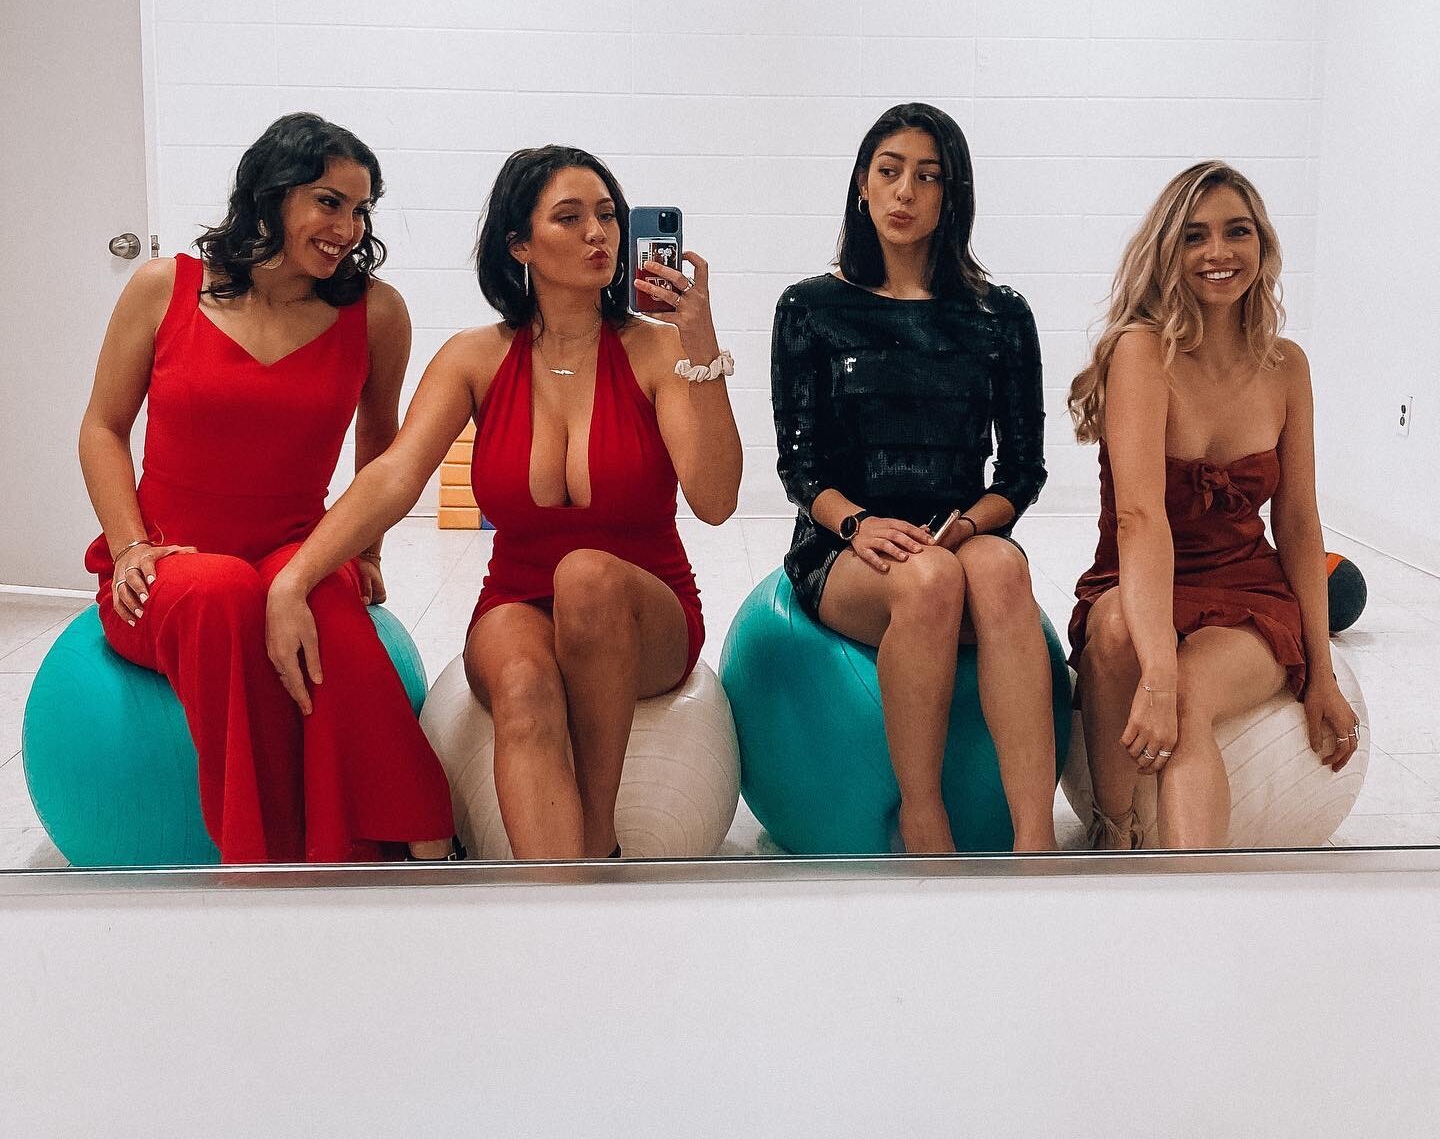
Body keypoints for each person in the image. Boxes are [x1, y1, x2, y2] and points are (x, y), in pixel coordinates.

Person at [266, 145, 742, 860]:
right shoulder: (475, 357)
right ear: (519, 244)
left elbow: (716, 500)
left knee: (587, 574)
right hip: (517, 598)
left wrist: (701, 348)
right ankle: (552, 900)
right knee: (522, 686)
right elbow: (395, 474)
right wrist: (297, 576)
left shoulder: (659, 351)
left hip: (647, 612)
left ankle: (598, 841)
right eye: (570, 218)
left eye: (608, 216)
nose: (598, 234)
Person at [79, 112, 455, 863]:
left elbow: (379, 444)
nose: (348, 229)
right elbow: (102, 427)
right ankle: (264, 866)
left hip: (296, 548)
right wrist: (127, 549)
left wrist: (365, 551)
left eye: (361, 209)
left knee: (330, 613)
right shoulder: (164, 288)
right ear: (272, 193)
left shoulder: (377, 312)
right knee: (221, 593)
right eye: (328, 202)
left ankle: (427, 844)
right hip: (169, 563)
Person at [770, 102, 1058, 854]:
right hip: (845, 543)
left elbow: (1022, 471)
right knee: (928, 581)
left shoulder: (1000, 315)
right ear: (862, 185)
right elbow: (799, 466)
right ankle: (924, 814)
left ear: (951, 195)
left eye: (928, 177)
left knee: (998, 572)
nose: (905, 192)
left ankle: (1036, 839)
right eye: (890, 171)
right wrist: (858, 525)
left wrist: (969, 525)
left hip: (959, 531)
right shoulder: (810, 308)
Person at [1067, 161, 1359, 850]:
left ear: (1263, 244)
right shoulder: (1140, 353)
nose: (1218, 252)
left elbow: (1298, 521)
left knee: (1192, 693)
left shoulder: (1287, 366)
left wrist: (1321, 674)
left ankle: (1195, 892)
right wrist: (1156, 671)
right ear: (1168, 252)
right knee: (1120, 634)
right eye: (1195, 236)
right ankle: (1116, 828)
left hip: (1246, 588)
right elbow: (1140, 520)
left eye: (1237, 231)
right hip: (1141, 575)